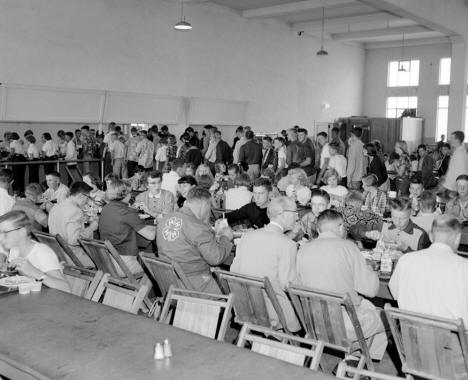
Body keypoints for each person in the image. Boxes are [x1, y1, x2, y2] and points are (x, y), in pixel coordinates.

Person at [295, 209, 387, 360]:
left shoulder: (303, 250)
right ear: (340, 227)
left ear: (318, 229)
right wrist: (370, 269)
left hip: (313, 323)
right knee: (387, 317)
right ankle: (357, 358)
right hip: (344, 325)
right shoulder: (349, 248)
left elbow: (297, 286)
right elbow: (371, 290)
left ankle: (355, 356)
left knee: (365, 307)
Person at [389, 216, 468, 379]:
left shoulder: (405, 260)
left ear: (431, 235)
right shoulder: (463, 267)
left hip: (412, 350)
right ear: (458, 237)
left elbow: (395, 293)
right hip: (451, 356)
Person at [232, 196, 300, 332]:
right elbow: (288, 284)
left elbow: (234, 271)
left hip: (246, 308)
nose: (297, 217)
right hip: (274, 313)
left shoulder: (246, 237)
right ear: (283, 214)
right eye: (295, 213)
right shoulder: (288, 245)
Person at [157, 187, 233, 293]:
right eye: (209, 206)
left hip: (170, 282)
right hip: (194, 284)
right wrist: (226, 237)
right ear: (205, 205)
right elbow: (216, 258)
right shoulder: (197, 226)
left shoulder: (165, 219)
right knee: (232, 289)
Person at [0, 210, 70, 292]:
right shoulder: (14, 250)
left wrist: (35, 272)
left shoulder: (42, 252)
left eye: (5, 233)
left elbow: (66, 288)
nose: (0, 238)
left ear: (22, 232)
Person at [99, 179, 156, 274]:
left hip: (106, 262)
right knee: (158, 264)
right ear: (127, 194)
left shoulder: (106, 208)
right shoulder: (127, 211)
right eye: (131, 192)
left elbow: (133, 226)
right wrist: (161, 226)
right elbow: (151, 236)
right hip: (123, 265)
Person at [48, 182, 97, 266]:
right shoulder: (75, 211)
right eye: (88, 197)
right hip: (72, 257)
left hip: (57, 254)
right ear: (80, 195)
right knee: (104, 262)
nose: (88, 201)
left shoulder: (55, 207)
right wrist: (91, 228)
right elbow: (74, 240)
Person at [365, 198, 431, 253]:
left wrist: (406, 249)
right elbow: (358, 229)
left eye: (403, 218)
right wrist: (368, 234)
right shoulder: (384, 225)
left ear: (410, 214)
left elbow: (424, 261)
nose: (398, 222)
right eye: (394, 217)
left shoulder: (420, 235)